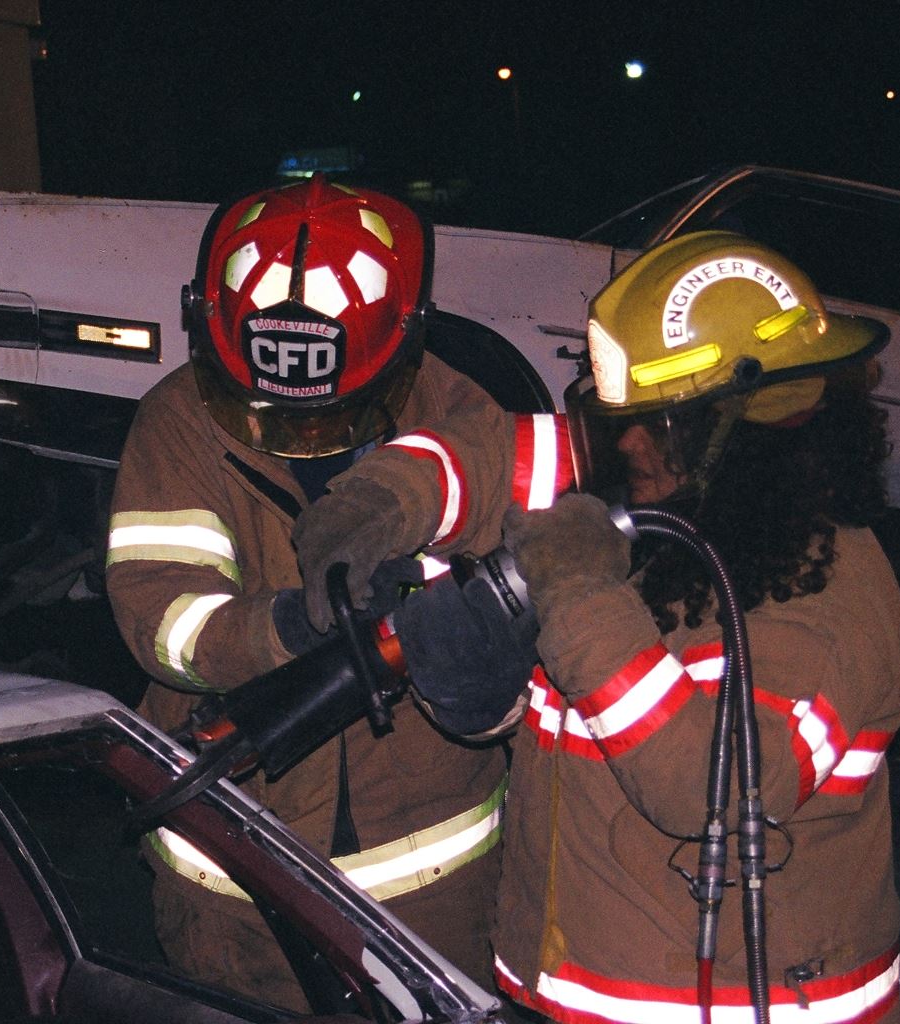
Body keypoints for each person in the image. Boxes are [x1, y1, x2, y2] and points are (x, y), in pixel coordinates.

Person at [105, 176, 573, 1009]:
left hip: (434, 900)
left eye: (330, 414)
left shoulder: (460, 414)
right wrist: (290, 625)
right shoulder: (178, 421)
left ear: (401, 345)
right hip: (235, 886)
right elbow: (161, 619)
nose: (300, 435)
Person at [482, 232, 900, 1023]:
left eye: (660, 423)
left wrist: (576, 594)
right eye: (622, 421)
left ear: (746, 422)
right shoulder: (692, 538)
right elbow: (613, 717)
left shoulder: (826, 590)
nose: (631, 443)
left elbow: (707, 787)